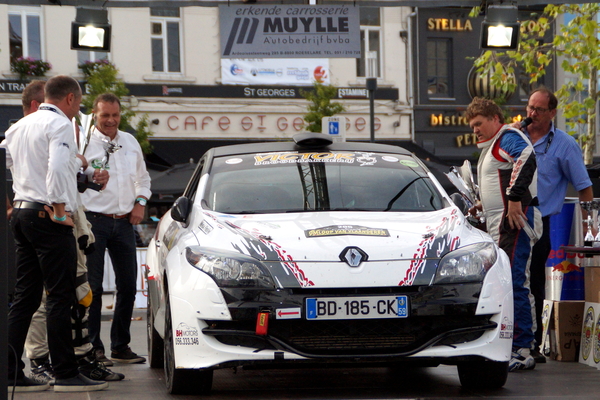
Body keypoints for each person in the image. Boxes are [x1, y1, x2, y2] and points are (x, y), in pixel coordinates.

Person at [1, 75, 108, 392]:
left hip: (22, 212)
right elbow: (58, 166)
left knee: (25, 297)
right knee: (60, 296)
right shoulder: (60, 124)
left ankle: (10, 371)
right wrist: (61, 211)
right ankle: (65, 372)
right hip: (48, 215)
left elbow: (8, 160)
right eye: (78, 104)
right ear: (71, 100)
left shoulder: (19, 127)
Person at [510, 87, 594, 362]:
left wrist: (588, 229)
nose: (531, 114)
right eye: (530, 107)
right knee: (511, 281)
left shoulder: (564, 144)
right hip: (510, 219)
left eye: (539, 109)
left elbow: (584, 187)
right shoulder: (515, 137)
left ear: (552, 113)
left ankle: (531, 344)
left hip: (539, 221)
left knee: (532, 281)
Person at [465, 97, 542, 372]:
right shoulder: (495, 144)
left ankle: (522, 347)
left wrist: (513, 198)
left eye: (478, 123)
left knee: (515, 281)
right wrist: (484, 204)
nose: (475, 129)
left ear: (495, 119)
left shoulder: (505, 137)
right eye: (472, 125)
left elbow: (526, 157)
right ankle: (517, 344)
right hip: (505, 222)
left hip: (515, 220)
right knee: (509, 282)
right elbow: (504, 175)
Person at [81, 92, 151, 365]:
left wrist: (140, 203)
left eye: (115, 115)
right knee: (94, 288)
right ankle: (94, 347)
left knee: (128, 286)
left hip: (124, 222)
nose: (110, 120)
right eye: (104, 115)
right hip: (94, 220)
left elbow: (143, 179)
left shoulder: (130, 141)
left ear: (121, 115)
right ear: (95, 115)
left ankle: (120, 345)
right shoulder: (84, 143)